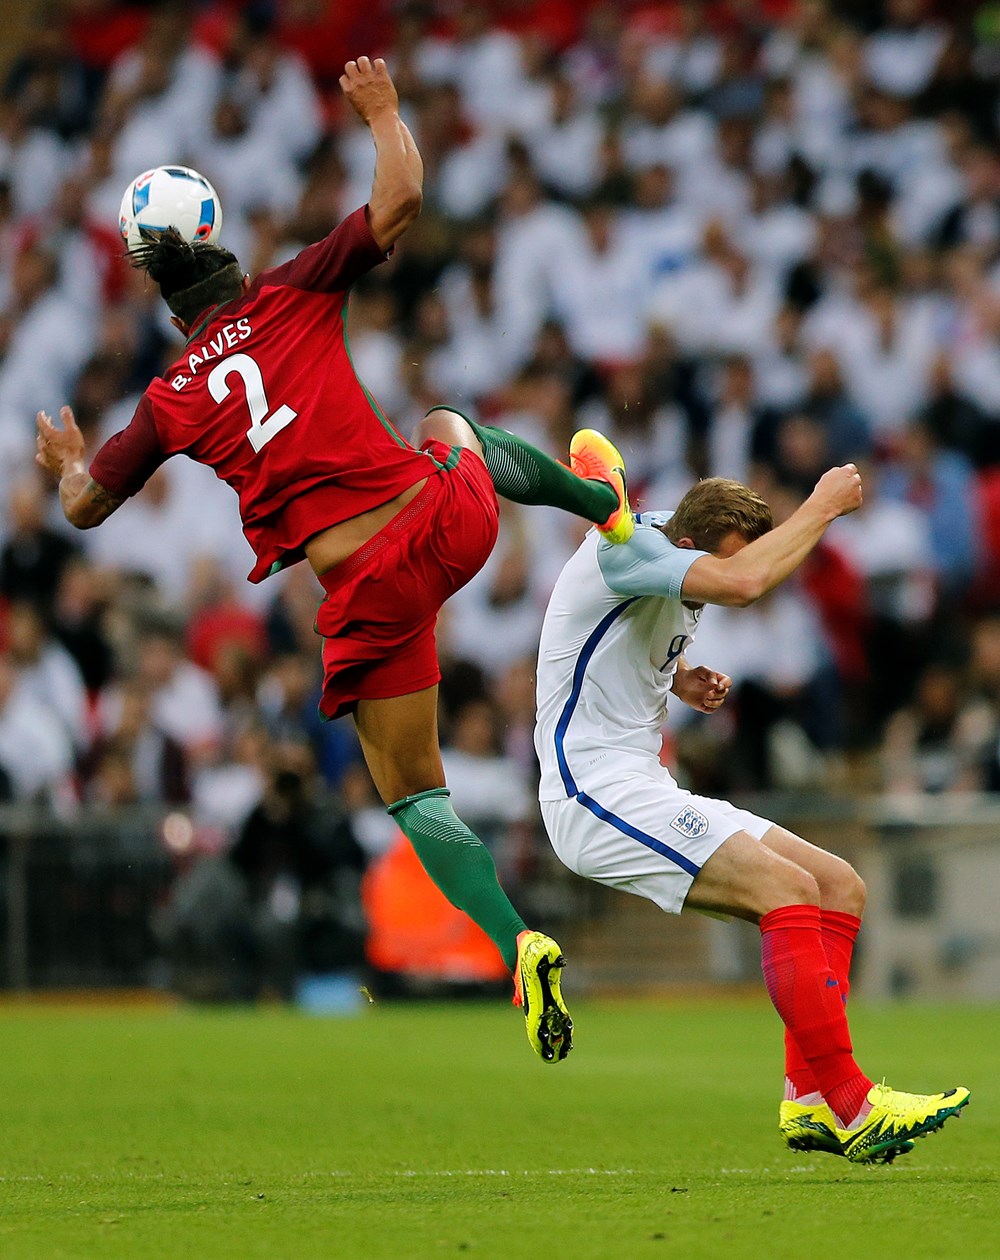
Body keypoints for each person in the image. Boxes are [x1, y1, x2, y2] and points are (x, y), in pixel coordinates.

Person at [35, 57, 636, 1064]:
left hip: (363, 592)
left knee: (414, 792)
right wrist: (383, 110)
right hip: (443, 522)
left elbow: (88, 506)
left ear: (155, 285)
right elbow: (400, 196)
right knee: (449, 422)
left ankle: (516, 940)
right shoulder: (292, 291)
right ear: (219, 241)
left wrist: (62, 464)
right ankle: (599, 505)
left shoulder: (169, 398)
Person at [533, 467, 971, 1160]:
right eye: (723, 554)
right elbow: (743, 582)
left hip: (640, 783)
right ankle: (854, 1105)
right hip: (592, 793)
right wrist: (823, 507)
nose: (727, 577)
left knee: (837, 885)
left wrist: (672, 676)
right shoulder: (630, 548)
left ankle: (809, 1102)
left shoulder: (655, 553)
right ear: (686, 540)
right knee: (786, 891)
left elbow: (599, 640)